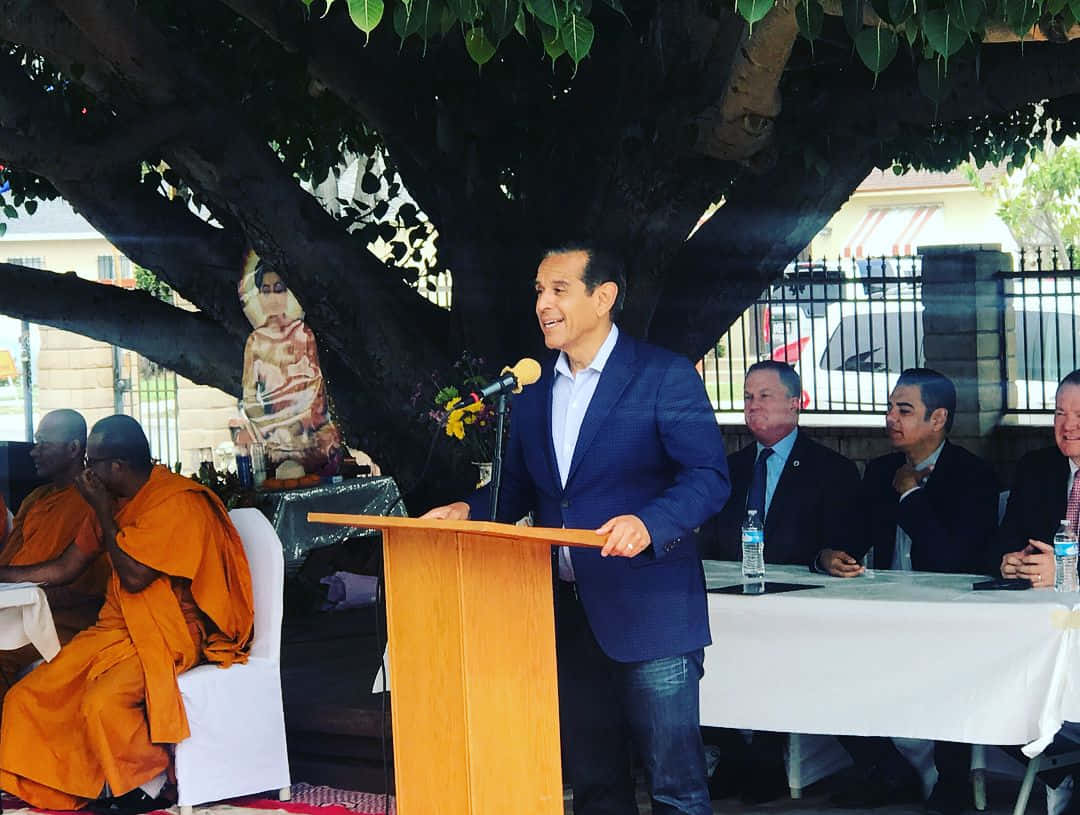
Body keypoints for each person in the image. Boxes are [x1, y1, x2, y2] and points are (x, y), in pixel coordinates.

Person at [423, 245, 730, 815]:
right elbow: (515, 488)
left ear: (604, 297)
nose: (544, 304)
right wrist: (469, 510)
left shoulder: (662, 375)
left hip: (652, 611)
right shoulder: (533, 388)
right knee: (595, 787)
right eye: (539, 291)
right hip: (568, 612)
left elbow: (708, 477)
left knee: (676, 787)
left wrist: (648, 521)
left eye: (559, 289)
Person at [0, 415, 254, 812]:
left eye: (93, 463)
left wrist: (102, 510)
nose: (87, 472)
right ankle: (66, 785)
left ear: (117, 466)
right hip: (115, 630)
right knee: (27, 697)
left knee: (102, 700)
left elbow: (135, 577)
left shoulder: (177, 502)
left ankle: (147, 783)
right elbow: (66, 568)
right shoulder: (113, 501)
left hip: (170, 632)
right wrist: (4, 574)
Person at [821, 368, 1000, 815]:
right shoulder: (881, 469)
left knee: (949, 675)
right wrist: (827, 556)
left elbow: (955, 557)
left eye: (904, 410)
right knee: (825, 664)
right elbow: (851, 534)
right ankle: (887, 769)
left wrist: (911, 498)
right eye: (889, 409)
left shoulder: (972, 475)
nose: (890, 419)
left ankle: (952, 782)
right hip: (883, 607)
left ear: (938, 419)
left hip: (950, 614)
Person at [702, 360, 860, 802]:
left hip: (795, 604)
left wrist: (821, 556)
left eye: (765, 396)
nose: (753, 407)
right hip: (730, 597)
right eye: (748, 398)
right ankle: (733, 755)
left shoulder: (831, 469)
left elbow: (842, 542)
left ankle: (769, 760)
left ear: (796, 403)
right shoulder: (728, 468)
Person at [0, 409, 108, 698]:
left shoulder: (94, 502)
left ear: (73, 449)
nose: (34, 452)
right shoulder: (36, 499)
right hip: (13, 608)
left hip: (60, 618)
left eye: (43, 444)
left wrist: (23, 595)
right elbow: (9, 560)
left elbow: (84, 584)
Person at [240, 253, 342, 476]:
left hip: (309, 431)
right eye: (266, 290)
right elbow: (249, 399)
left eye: (279, 288)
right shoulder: (255, 343)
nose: (273, 297)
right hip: (274, 436)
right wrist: (272, 430)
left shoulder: (304, 335)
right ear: (259, 296)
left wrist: (300, 427)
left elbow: (316, 390)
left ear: (288, 293)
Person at [999, 369, 1080, 587]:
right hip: (1039, 610)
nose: (1068, 426)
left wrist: (1067, 572)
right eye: (1060, 413)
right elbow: (1002, 542)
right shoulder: (1035, 469)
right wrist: (1011, 562)